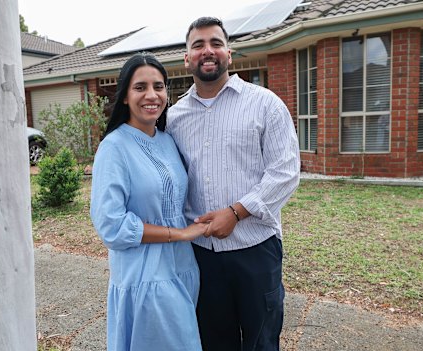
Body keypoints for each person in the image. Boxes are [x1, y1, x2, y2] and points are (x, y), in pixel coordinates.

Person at [167, 17, 300, 351]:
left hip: (255, 248)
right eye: (197, 45)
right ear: (186, 58)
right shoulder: (174, 118)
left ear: (229, 53)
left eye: (215, 43)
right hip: (201, 254)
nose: (207, 51)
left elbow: (285, 171)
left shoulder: (264, 103)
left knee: (261, 340)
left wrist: (236, 212)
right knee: (213, 340)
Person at [90, 52, 207, 351]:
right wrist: (178, 233)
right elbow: (111, 224)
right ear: (125, 96)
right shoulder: (114, 147)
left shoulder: (167, 140)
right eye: (140, 87)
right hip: (146, 276)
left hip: (183, 268)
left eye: (159, 86)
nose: (151, 95)